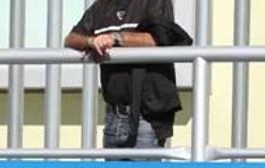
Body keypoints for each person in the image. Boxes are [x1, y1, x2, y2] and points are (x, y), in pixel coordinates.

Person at [64, 0, 192, 151]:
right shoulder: (101, 6)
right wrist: (91, 41)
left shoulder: (154, 2)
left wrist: (115, 39)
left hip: (147, 116)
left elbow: (158, 38)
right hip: (114, 116)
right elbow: (70, 39)